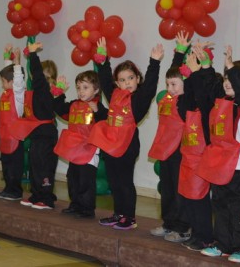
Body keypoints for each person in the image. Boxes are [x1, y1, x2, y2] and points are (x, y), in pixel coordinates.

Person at [88, 37, 164, 230]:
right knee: (114, 181)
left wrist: (154, 62)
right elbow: (105, 79)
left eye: (131, 78)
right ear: (117, 83)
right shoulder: (114, 94)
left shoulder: (139, 99)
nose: (127, 82)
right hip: (111, 142)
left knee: (124, 181)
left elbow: (150, 87)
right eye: (122, 80)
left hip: (128, 144)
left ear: (137, 79)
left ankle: (129, 217)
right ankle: (118, 213)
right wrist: (103, 59)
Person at [199, 46, 240, 264]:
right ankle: (222, 244)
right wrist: (207, 66)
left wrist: (231, 66)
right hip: (221, 165)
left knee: (239, 209)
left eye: (232, 79)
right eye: (226, 78)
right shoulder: (223, 103)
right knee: (219, 204)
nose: (227, 82)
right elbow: (210, 86)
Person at [148, 31, 194, 242]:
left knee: (179, 190)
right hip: (165, 148)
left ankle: (183, 227)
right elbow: (174, 73)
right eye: (168, 85)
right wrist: (179, 52)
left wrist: (183, 55)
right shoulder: (168, 97)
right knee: (167, 188)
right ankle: (169, 223)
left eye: (174, 85)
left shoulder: (186, 101)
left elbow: (183, 77)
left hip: (180, 151)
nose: (170, 89)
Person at [53, 70, 108, 219]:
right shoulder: (73, 105)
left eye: (85, 87)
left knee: (86, 180)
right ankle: (75, 204)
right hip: (75, 150)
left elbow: (106, 120)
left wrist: (98, 111)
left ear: (96, 90)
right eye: (78, 87)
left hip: (89, 151)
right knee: (73, 177)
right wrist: (59, 93)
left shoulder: (98, 107)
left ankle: (87, 208)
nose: (81, 91)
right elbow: (59, 109)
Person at [176, 45, 215, 251]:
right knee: (188, 195)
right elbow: (188, 100)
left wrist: (198, 73)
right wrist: (188, 76)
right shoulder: (190, 102)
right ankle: (197, 233)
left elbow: (203, 93)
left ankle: (206, 236)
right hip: (188, 156)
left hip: (202, 155)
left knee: (200, 197)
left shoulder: (209, 100)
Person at [11, 42, 58, 209]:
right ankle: (37, 194)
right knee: (34, 164)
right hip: (37, 133)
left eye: (46, 78)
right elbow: (24, 81)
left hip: (46, 134)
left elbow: (37, 75)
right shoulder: (35, 92)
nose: (41, 80)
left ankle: (47, 198)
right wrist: (17, 62)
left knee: (45, 166)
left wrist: (33, 55)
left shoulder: (47, 92)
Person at [0, 44, 25, 201]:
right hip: (4, 136)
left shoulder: (18, 95)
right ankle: (7, 188)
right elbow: (9, 74)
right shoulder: (6, 93)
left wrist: (18, 62)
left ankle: (15, 191)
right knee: (5, 165)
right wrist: (7, 58)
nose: (2, 83)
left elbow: (17, 80)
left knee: (14, 167)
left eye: (4, 81)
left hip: (16, 139)